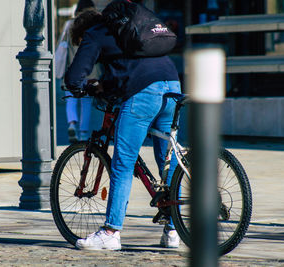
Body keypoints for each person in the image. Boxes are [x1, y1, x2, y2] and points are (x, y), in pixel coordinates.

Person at [64, 4, 181, 250]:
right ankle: (174, 230)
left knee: (122, 163)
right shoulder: (125, 29)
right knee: (166, 160)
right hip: (172, 83)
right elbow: (127, 68)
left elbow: (74, 77)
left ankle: (110, 232)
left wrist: (78, 87)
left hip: (144, 93)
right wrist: (105, 85)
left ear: (82, 32)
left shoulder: (94, 33)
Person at [56, 0, 102, 143]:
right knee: (86, 102)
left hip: (71, 67)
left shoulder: (69, 24)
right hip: (90, 71)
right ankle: (83, 133)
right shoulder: (95, 26)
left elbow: (60, 44)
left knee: (70, 99)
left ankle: (71, 124)